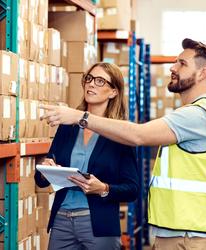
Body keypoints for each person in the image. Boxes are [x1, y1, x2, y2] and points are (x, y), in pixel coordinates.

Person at [40, 38, 206, 250]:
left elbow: (138, 135)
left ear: (202, 73)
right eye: (89, 78)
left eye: (182, 64)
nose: (172, 68)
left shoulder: (196, 116)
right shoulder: (191, 114)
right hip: (178, 230)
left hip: (190, 233)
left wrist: (81, 117)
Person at [35, 62, 139, 250]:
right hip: (62, 220)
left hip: (98, 223)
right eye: (89, 79)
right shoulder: (68, 125)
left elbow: (132, 189)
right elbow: (41, 181)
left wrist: (104, 188)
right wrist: (46, 169)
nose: (91, 84)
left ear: (113, 92)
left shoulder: (120, 133)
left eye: (100, 81)